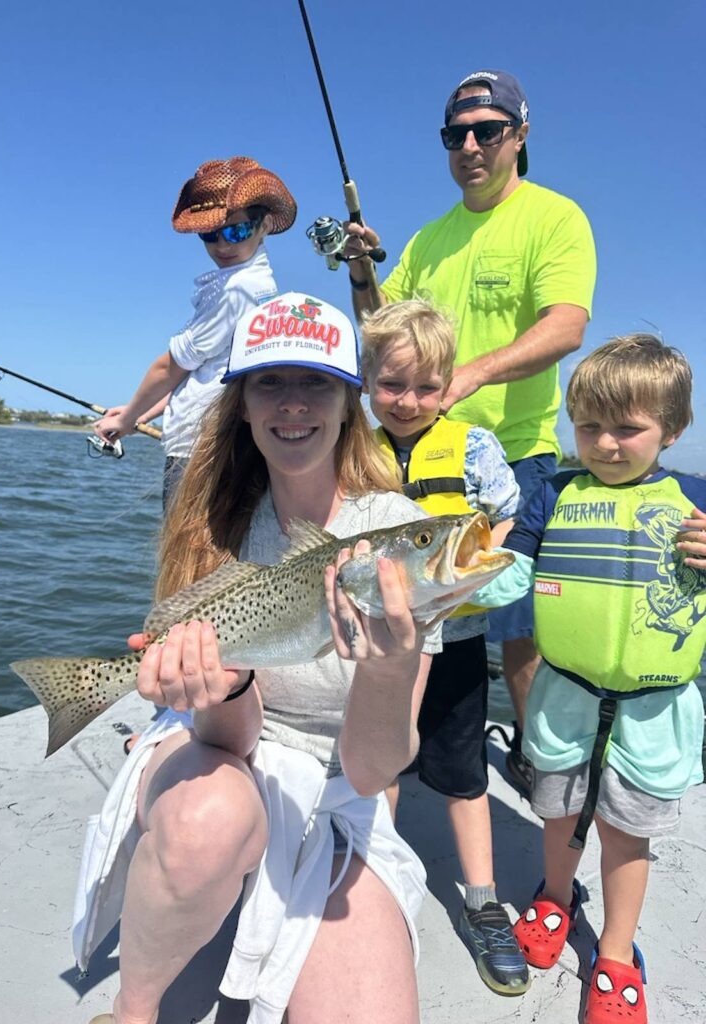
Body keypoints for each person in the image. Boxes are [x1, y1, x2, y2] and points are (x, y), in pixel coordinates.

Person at [78, 291, 447, 1024]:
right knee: (211, 817)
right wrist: (226, 681)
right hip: (217, 752)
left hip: (343, 787)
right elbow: (227, 739)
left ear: (349, 403)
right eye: (269, 382)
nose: (293, 404)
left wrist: (388, 666)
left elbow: (374, 772)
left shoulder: (400, 533)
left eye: (315, 383)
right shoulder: (211, 520)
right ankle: (133, 1011)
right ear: (240, 404)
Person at [343, 68, 597, 796]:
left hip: (512, 455)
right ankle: (397, 749)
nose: (472, 145)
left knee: (516, 625)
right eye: (457, 134)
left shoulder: (555, 217)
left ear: (519, 135)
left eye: (488, 130)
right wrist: (364, 273)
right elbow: (384, 327)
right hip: (416, 456)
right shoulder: (428, 238)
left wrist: (472, 375)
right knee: (403, 611)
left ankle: (539, 764)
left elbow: (567, 325)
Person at [472, 334, 706, 1024]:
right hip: (561, 701)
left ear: (674, 429)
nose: (605, 443)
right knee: (558, 812)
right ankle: (553, 894)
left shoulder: (696, 502)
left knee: (629, 835)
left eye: (627, 428)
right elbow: (513, 570)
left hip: (654, 711)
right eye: (589, 426)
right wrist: (460, 582)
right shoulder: (550, 492)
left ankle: (615, 951)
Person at [359, 298, 531, 995]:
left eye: (427, 387)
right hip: (377, 644)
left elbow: (508, 517)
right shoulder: (351, 448)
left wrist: (489, 572)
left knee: (464, 773)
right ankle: (377, 891)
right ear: (367, 379)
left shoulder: (475, 447)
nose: (408, 401)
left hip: (456, 639)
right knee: (382, 770)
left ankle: (484, 901)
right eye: (392, 384)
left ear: (450, 383)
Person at [93, 157, 296, 510]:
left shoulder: (237, 289)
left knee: (185, 561)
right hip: (216, 447)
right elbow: (196, 371)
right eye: (209, 234)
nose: (222, 245)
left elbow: (169, 367)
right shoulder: (259, 285)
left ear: (263, 225)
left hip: (200, 452)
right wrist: (139, 414)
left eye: (236, 231)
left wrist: (126, 421)